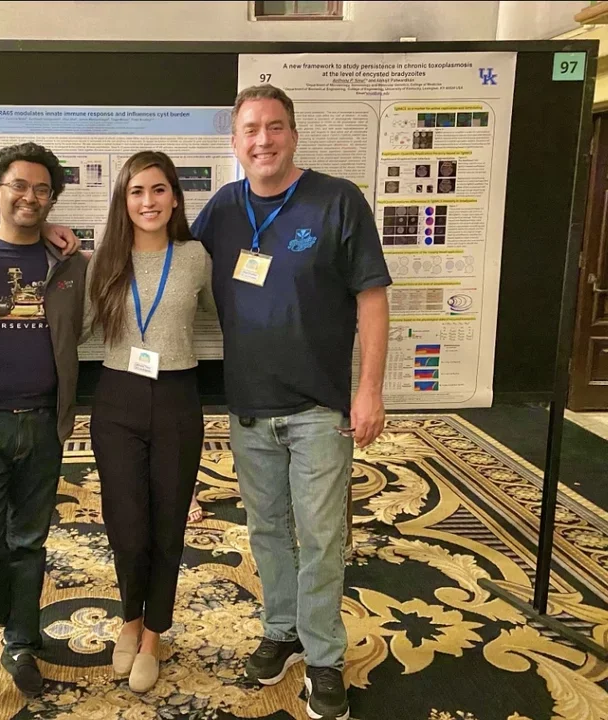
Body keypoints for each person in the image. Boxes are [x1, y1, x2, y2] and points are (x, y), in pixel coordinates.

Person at [191, 85, 391, 720]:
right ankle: (281, 631)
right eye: (250, 129)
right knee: (267, 531)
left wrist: (369, 389)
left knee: (322, 535)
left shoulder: (337, 201)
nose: (263, 140)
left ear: (294, 135)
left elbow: (372, 297)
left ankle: (325, 657)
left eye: (275, 127)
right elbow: (163, 257)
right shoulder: (223, 208)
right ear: (235, 142)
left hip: (316, 409)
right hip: (247, 408)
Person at [0, 142, 88, 698]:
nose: (29, 196)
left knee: (29, 541)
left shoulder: (70, 262)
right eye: (19, 186)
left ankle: (21, 641)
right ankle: (9, 611)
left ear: (51, 200)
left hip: (42, 422)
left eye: (42, 189)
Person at [84, 151, 213, 693]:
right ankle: (128, 620)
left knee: (168, 523)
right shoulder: (105, 260)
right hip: (116, 399)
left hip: (179, 395)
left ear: (175, 198)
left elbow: (224, 315)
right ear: (123, 201)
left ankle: (153, 633)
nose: (148, 202)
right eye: (137, 191)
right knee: (128, 526)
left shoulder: (196, 256)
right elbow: (79, 324)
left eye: (158, 190)